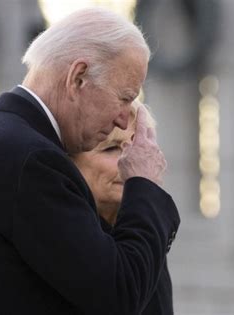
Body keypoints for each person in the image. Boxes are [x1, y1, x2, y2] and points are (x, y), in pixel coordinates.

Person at [0, 7, 180, 315]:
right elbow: (119, 295)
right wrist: (145, 184)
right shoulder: (30, 160)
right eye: (124, 97)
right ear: (78, 78)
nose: (124, 120)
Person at [71, 100, 174, 315]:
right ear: (69, 163)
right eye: (111, 148)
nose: (130, 159)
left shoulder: (145, 231)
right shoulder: (64, 238)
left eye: (137, 147)